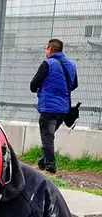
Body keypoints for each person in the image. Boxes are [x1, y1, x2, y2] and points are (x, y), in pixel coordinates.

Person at [30, 39, 78, 175]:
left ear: (50, 49)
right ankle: (41, 164)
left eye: (46, 49)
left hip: (49, 108)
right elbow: (74, 85)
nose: (46, 51)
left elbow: (33, 85)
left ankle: (50, 167)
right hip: (63, 109)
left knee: (47, 137)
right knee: (49, 137)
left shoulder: (47, 64)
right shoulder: (72, 65)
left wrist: (45, 87)